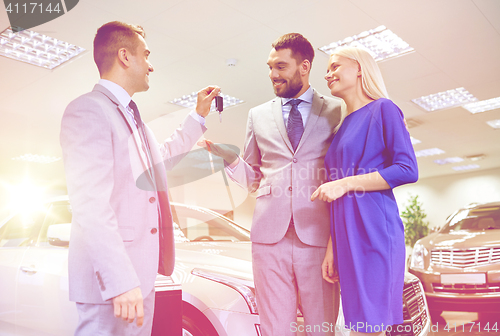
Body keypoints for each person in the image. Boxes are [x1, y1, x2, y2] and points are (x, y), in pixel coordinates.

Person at [60, 21, 219, 336]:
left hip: (140, 275)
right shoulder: (88, 110)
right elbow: (89, 204)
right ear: (124, 56)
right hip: (114, 282)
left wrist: (198, 116)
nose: (151, 65)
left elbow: (161, 163)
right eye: (145, 55)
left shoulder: (134, 120)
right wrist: (120, 279)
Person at [200, 33, 341, 336]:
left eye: (280, 67)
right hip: (268, 238)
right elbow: (253, 178)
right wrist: (231, 160)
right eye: (269, 67)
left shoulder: (335, 110)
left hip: (317, 234)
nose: (272, 75)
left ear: (304, 67)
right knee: (275, 328)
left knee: (322, 327)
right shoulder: (258, 115)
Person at [311, 46, 418, 336]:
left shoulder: (384, 109)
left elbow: (408, 169)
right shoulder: (343, 126)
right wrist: (332, 248)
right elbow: (336, 193)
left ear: (359, 68)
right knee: (359, 325)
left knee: (371, 326)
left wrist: (345, 183)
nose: (327, 73)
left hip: (374, 232)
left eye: (335, 66)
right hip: (347, 237)